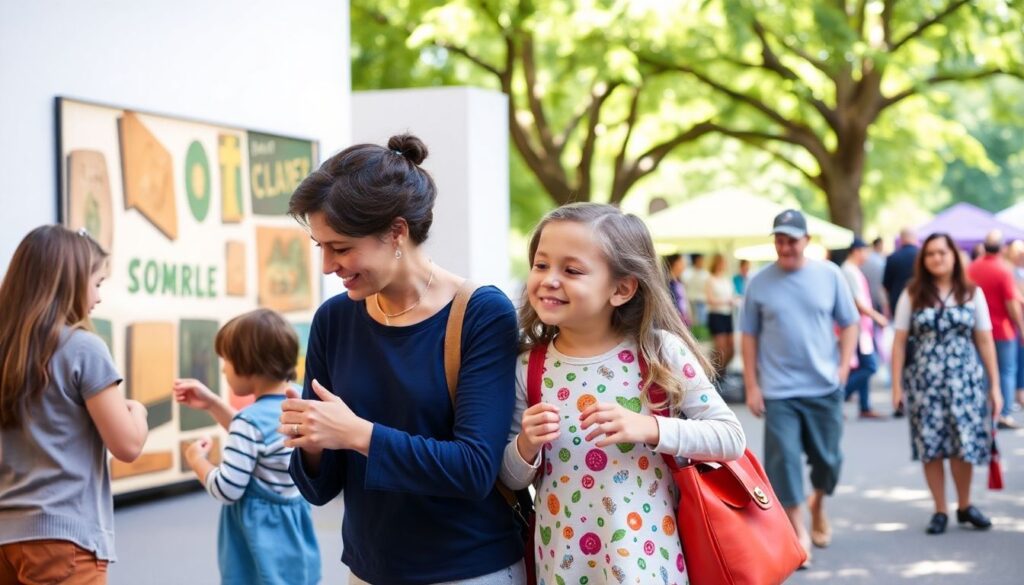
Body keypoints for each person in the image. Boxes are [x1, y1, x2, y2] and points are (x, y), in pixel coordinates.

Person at [280, 134, 524, 585]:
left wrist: (358, 434)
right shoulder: (334, 320)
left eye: (341, 247)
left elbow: (474, 468)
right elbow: (319, 490)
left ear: (396, 232)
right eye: (320, 247)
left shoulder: (481, 313)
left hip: (469, 569)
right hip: (367, 571)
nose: (327, 266)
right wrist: (312, 441)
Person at [499, 203, 745, 585]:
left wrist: (650, 428)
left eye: (572, 270)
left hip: (647, 562)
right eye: (541, 265)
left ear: (622, 288)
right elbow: (512, 479)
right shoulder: (527, 367)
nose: (548, 279)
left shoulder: (659, 353)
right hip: (563, 564)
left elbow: (730, 438)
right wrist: (526, 445)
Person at [0, 225, 149, 584]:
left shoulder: (7, 352)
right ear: (68, 282)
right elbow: (127, 445)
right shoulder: (83, 348)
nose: (98, 297)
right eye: (97, 283)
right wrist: (138, 412)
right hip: (65, 541)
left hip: (6, 538)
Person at [741, 209, 858, 561]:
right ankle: (799, 532)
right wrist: (752, 385)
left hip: (824, 386)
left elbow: (850, 322)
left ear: (806, 241)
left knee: (829, 462)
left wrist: (843, 368)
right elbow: (748, 336)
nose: (785, 246)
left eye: (791, 240)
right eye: (779, 239)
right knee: (784, 463)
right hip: (779, 392)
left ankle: (818, 502)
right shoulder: (758, 282)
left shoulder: (830, 275)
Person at [174, 309, 321, 584]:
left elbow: (226, 488)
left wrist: (197, 461)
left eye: (226, 361)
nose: (222, 369)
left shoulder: (248, 422)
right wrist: (213, 404)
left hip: (258, 545)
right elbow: (262, 443)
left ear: (247, 363)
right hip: (294, 537)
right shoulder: (299, 401)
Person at [890, 233, 1001, 534]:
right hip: (925, 381)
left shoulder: (971, 293)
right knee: (931, 446)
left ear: (954, 256)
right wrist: (896, 385)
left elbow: (985, 340)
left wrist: (995, 386)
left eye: (942, 252)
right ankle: (940, 509)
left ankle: (964, 505)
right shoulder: (912, 293)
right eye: (930, 254)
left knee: (962, 444)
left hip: (964, 380)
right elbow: (899, 342)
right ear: (923, 261)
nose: (937, 258)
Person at [966, 230, 1024, 430]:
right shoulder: (1003, 270)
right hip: (1003, 330)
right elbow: (1012, 303)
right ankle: (1003, 414)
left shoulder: (971, 268)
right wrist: (1022, 327)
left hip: (976, 329)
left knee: (981, 371)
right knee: (1006, 371)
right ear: (1001, 248)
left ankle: (983, 411)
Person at [840, 237, 889, 418]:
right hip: (857, 328)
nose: (867, 256)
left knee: (863, 365)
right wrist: (877, 316)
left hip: (862, 327)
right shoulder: (849, 271)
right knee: (869, 366)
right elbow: (857, 302)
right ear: (856, 251)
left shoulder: (853, 270)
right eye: (865, 251)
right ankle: (837, 399)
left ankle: (865, 405)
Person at [883, 228, 920, 417]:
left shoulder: (892, 258)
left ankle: (899, 393)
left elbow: (885, 286)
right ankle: (910, 393)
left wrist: (887, 307)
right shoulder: (921, 255)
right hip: (920, 309)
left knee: (899, 349)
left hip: (898, 308)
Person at [705, 253, 737, 379]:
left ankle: (722, 372)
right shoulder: (710, 280)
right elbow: (710, 300)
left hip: (727, 315)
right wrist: (725, 301)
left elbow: (732, 295)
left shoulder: (726, 279)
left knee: (731, 348)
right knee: (720, 348)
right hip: (716, 315)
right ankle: (715, 374)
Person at [663, 253, 691, 326]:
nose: (684, 265)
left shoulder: (679, 280)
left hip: (683, 319)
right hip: (674, 320)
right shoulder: (667, 282)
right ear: (675, 263)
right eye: (681, 262)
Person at [684, 253, 710, 326]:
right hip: (691, 301)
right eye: (700, 260)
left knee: (702, 323)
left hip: (702, 302)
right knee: (693, 322)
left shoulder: (706, 274)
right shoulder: (688, 273)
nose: (701, 262)